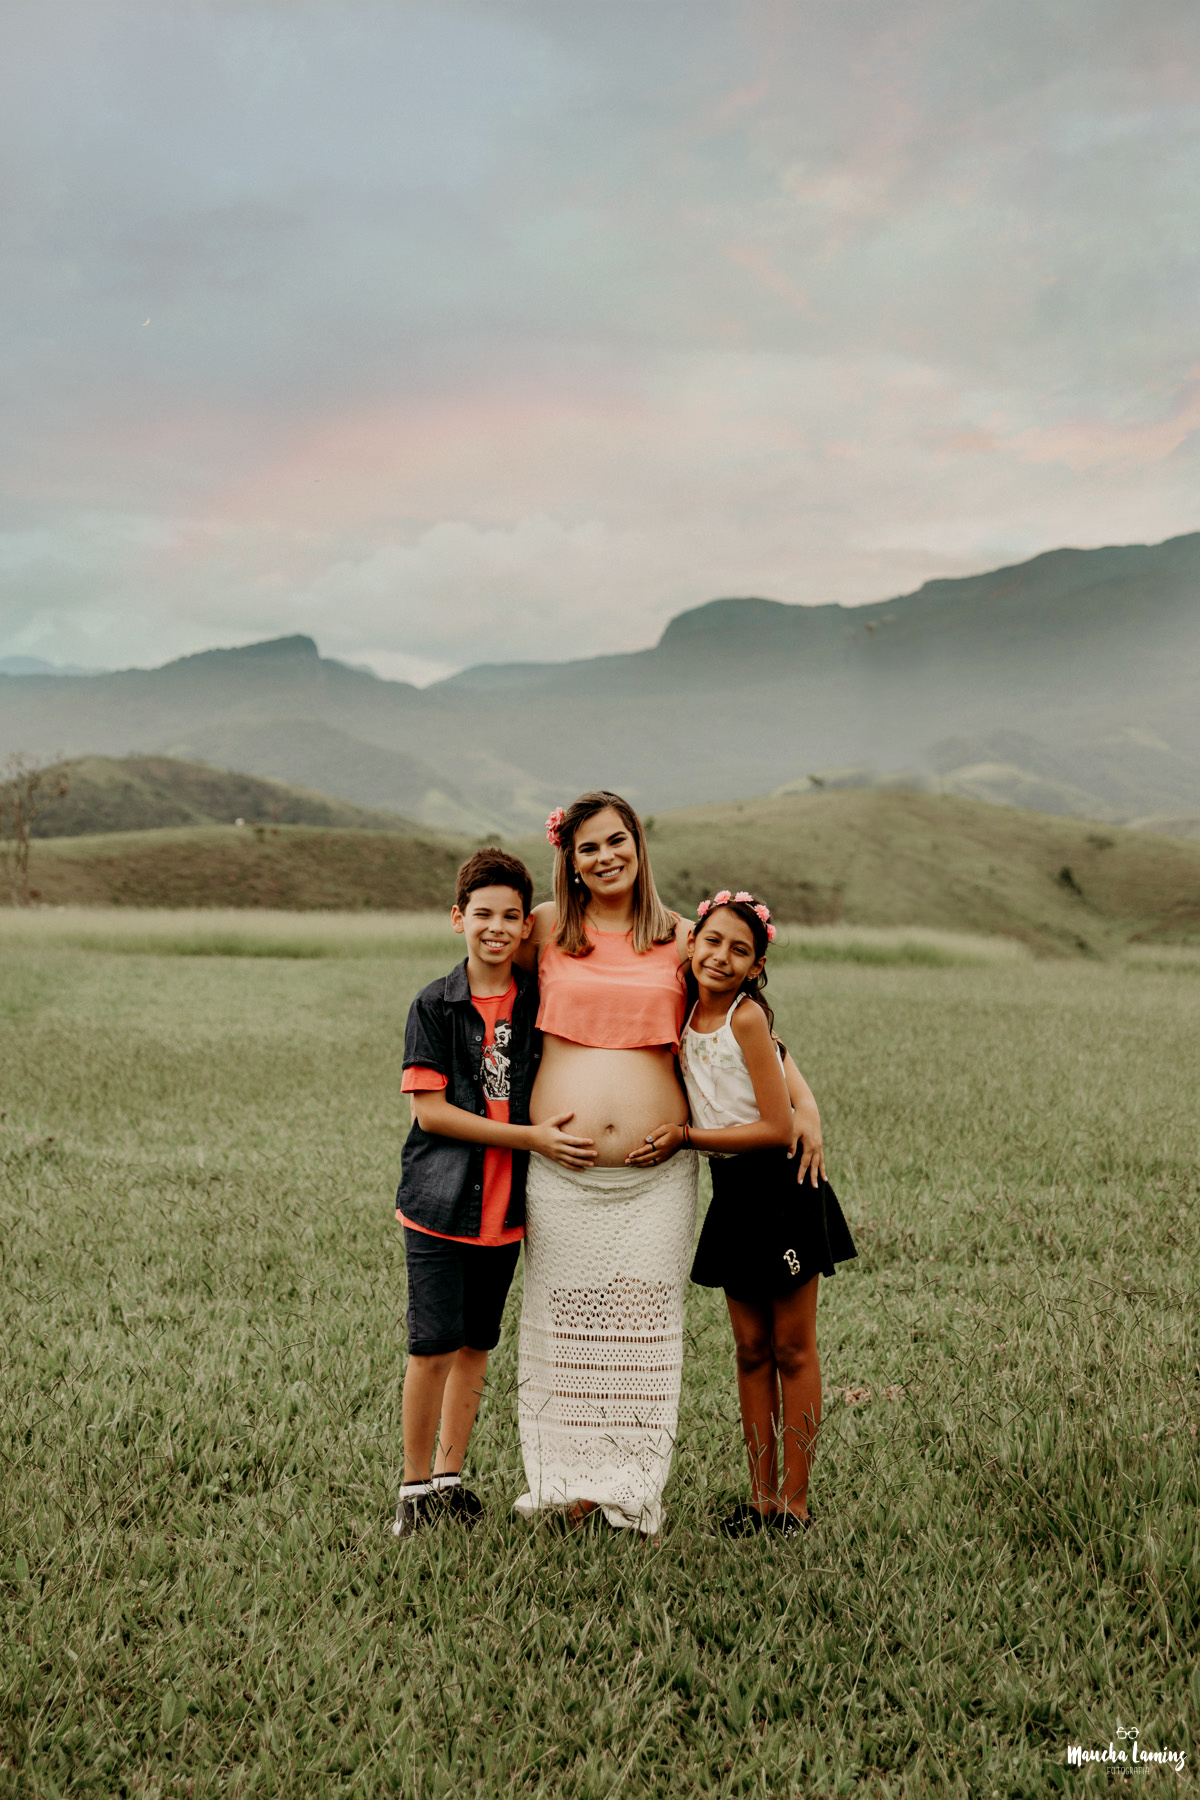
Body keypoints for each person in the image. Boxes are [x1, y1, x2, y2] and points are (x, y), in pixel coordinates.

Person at [512, 791, 820, 1540]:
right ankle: (572, 1488)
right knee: (568, 1331)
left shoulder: (683, 937)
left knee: (640, 1333)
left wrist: (806, 1107)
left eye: (616, 841)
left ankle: (630, 1489)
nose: (605, 857)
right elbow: (482, 989)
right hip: (561, 1174)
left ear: (639, 845)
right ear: (569, 861)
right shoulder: (545, 928)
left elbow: (746, 1025)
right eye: (588, 847)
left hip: (655, 1180)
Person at [631, 889, 856, 1537]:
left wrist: (687, 1138)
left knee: (792, 1348)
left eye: (740, 950)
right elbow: (661, 920)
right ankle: (758, 1501)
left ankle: (795, 1504)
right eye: (712, 941)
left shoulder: (746, 1018)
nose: (721, 957)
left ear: (757, 966)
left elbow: (777, 1127)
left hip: (780, 1188)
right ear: (692, 943)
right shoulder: (682, 1009)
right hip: (731, 1195)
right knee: (750, 1350)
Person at [392, 848, 595, 1540]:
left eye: (512, 916)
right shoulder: (435, 1004)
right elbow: (431, 1113)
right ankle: (413, 1489)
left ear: (526, 927)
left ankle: (450, 1479)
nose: (497, 927)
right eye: (483, 914)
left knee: (477, 1344)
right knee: (433, 1347)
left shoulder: (537, 1001)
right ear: (458, 918)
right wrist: (531, 1137)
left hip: (506, 1213)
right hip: (442, 1205)